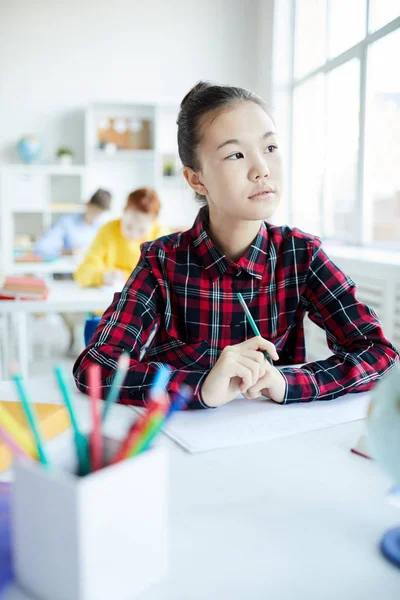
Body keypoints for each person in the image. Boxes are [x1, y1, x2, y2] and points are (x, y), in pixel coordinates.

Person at [73, 81, 399, 409]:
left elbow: (380, 353)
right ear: (196, 178)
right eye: (236, 154)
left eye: (270, 148)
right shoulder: (160, 261)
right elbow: (95, 366)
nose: (262, 170)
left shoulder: (301, 255)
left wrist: (288, 382)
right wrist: (199, 386)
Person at [74, 187, 168, 288]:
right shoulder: (108, 230)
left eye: (141, 230)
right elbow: (82, 273)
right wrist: (103, 277)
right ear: (123, 211)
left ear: (153, 222)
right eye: (128, 227)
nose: (133, 235)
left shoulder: (161, 236)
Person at [34, 189, 112, 259]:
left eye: (100, 213)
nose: (96, 216)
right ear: (87, 204)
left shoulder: (103, 228)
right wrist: (67, 252)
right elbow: (41, 248)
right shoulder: (67, 222)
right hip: (69, 272)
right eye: (94, 211)